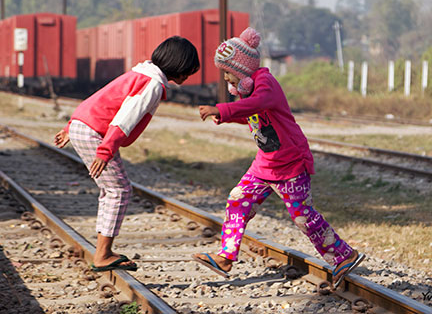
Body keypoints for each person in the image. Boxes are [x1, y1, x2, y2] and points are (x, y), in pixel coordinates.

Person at [193, 27, 364, 288]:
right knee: (237, 200)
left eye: (228, 72)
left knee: (302, 216)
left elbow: (260, 103)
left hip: (291, 164)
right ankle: (225, 257)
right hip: (264, 164)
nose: (226, 78)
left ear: (242, 70)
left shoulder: (265, 84)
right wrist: (227, 116)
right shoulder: (247, 91)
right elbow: (252, 115)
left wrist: (223, 108)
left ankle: (344, 255)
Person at [54, 36, 200, 272]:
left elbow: (98, 98)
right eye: (189, 69)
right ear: (178, 64)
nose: (189, 75)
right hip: (96, 134)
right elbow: (125, 119)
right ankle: (102, 254)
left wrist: (71, 126)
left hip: (85, 126)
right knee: (118, 190)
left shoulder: (141, 73)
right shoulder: (151, 83)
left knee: (112, 189)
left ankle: (104, 250)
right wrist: (105, 151)